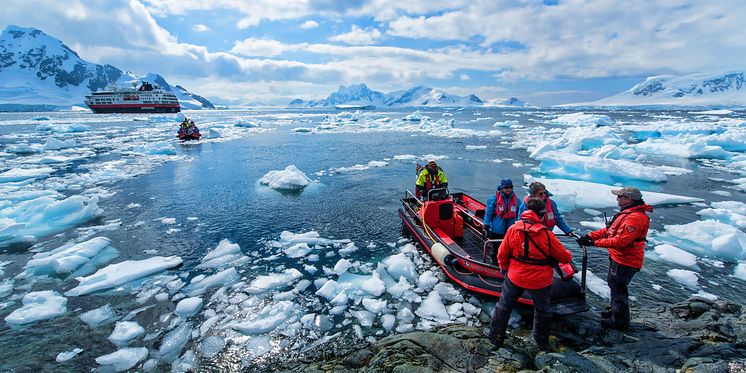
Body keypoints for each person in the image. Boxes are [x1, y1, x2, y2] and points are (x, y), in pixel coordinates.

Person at [486, 197, 572, 350]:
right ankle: (541, 341)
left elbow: (502, 252)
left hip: (515, 276)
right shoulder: (546, 234)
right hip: (539, 280)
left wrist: (504, 268)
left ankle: (495, 336)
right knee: (543, 310)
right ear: (541, 214)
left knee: (504, 306)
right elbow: (564, 257)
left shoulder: (513, 229)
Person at [577, 187, 653, 331]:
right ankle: (614, 311)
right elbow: (610, 230)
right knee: (614, 286)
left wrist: (593, 243)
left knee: (619, 289)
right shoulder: (627, 214)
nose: (617, 199)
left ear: (628, 199)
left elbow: (620, 241)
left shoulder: (634, 218)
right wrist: (591, 236)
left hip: (626, 260)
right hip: (619, 258)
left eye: (620, 197)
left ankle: (620, 323)